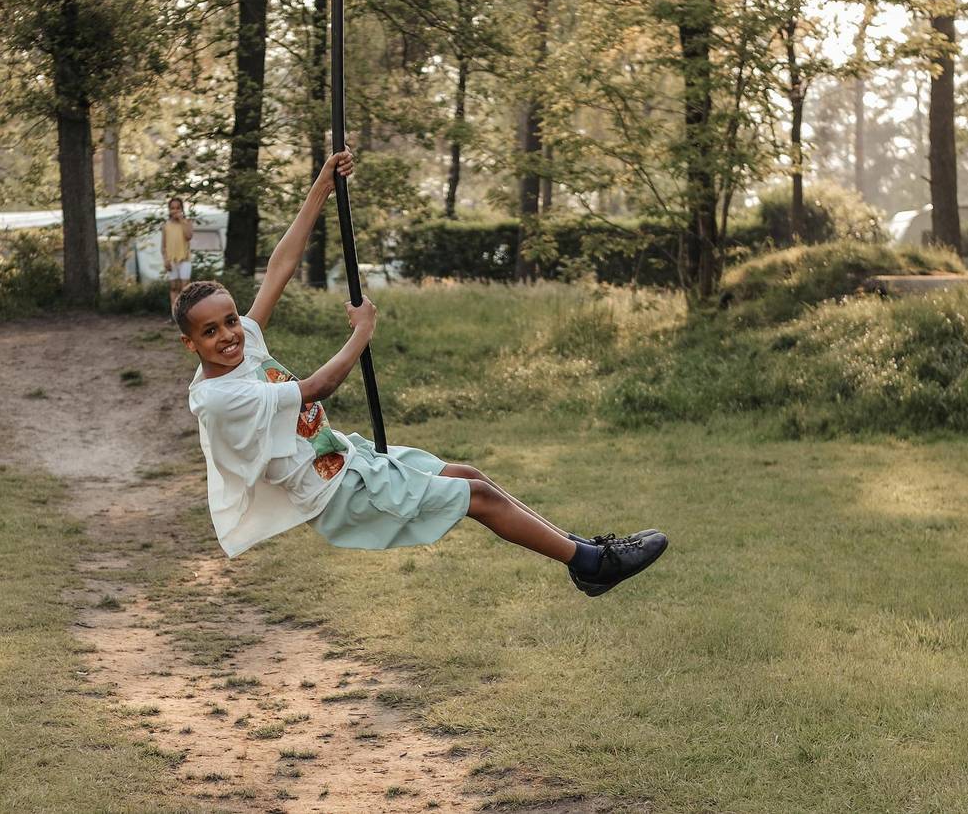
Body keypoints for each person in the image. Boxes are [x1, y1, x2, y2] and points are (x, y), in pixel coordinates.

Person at [175, 151, 667, 597]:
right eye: (210, 331)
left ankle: (584, 553)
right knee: (477, 497)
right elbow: (318, 388)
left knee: (469, 475)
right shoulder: (219, 397)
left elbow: (280, 266)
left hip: (350, 459)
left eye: (231, 320)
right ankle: (593, 563)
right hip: (337, 496)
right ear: (190, 343)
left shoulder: (245, 343)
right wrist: (362, 332)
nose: (229, 335)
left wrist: (323, 184)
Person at [161, 197, 194, 312]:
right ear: (169, 210)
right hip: (171, 260)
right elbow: (163, 246)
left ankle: (185, 313)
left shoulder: (187, 222)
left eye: (178, 208)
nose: (175, 210)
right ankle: (174, 313)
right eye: (172, 208)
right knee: (174, 287)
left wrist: (182, 220)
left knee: (185, 288)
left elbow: (188, 236)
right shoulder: (166, 226)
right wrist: (165, 260)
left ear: (182, 209)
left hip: (184, 259)